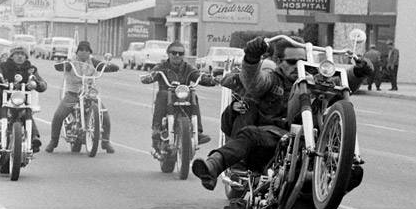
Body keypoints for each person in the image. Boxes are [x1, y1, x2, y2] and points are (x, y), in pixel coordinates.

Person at [191, 36, 371, 191]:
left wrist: (358, 72)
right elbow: (254, 83)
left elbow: (339, 86)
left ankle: (334, 185)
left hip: (307, 143)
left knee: (352, 171)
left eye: (302, 61)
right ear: (279, 61)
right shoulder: (272, 80)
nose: (298, 66)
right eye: (292, 62)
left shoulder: (313, 81)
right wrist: (252, 58)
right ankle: (213, 166)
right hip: (272, 140)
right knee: (250, 134)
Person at [0, 45, 46, 173]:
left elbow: (42, 83)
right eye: (17, 53)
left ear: (26, 56)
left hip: (22, 105)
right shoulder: (3, 66)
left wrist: (38, 84)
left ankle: (34, 140)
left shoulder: (30, 70)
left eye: (22, 54)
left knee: (28, 112)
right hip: (2, 104)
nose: (20, 56)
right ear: (12, 56)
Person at [45, 40, 118, 154]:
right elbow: (61, 67)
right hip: (73, 93)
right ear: (77, 51)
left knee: (105, 115)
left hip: (89, 92)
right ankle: (53, 141)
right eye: (81, 50)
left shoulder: (93, 61)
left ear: (90, 52)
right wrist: (62, 66)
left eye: (87, 50)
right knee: (59, 115)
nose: (84, 53)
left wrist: (111, 67)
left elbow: (102, 66)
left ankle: (105, 142)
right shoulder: (71, 62)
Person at [141, 40, 214, 151]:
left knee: (194, 94)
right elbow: (153, 73)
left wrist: (208, 79)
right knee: (162, 94)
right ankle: (157, 129)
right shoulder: (162, 67)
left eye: (180, 53)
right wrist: (149, 77)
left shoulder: (188, 68)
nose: (177, 55)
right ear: (168, 53)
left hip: (184, 97)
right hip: (166, 99)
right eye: (174, 52)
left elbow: (197, 75)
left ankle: (198, 132)